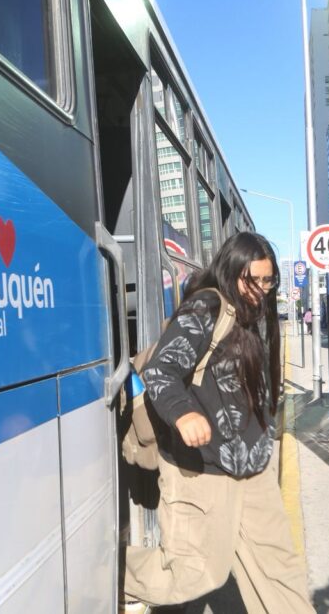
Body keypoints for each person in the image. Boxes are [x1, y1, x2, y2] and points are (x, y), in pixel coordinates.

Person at [124, 232, 313, 613]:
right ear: (230, 271)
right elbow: (162, 371)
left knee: (280, 572)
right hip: (203, 468)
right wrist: (184, 412)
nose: (260, 289)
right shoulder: (207, 307)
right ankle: (111, 573)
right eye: (252, 279)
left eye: (267, 279)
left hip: (254, 470)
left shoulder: (258, 315)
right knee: (194, 573)